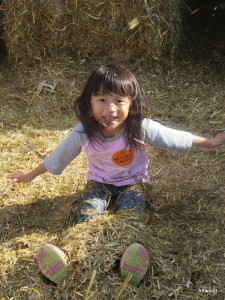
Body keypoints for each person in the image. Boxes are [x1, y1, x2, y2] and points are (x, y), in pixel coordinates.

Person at [10, 64, 225, 286]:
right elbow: (59, 156)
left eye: (119, 101)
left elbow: (173, 137)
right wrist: (31, 175)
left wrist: (210, 142)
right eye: (102, 100)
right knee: (87, 216)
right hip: (98, 183)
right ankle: (68, 257)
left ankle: (129, 259)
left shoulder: (139, 127)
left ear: (131, 104)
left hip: (133, 183)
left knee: (130, 216)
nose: (110, 108)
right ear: (89, 103)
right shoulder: (83, 131)